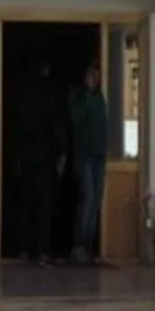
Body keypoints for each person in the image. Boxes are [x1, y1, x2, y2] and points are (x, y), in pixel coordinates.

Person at [11, 59, 65, 266]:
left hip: (25, 156)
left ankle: (24, 249)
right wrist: (62, 153)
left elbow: (15, 126)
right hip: (43, 157)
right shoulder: (49, 94)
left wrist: (15, 157)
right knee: (43, 207)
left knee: (26, 205)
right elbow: (56, 124)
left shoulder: (23, 94)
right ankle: (42, 251)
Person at [68, 61, 111, 265]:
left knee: (95, 203)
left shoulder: (100, 97)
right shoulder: (78, 95)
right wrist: (86, 91)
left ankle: (89, 248)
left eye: (98, 74)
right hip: (84, 155)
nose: (96, 77)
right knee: (87, 199)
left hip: (99, 155)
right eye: (92, 73)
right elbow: (76, 118)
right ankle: (78, 247)